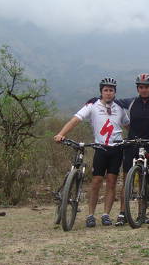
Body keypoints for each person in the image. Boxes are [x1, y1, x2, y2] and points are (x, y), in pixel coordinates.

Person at [86, 73, 149, 226]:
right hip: (130, 145)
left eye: (147, 87)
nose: (144, 90)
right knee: (126, 179)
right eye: (141, 87)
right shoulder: (129, 103)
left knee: (144, 179)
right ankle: (123, 213)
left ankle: (142, 213)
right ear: (137, 88)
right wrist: (94, 100)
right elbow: (108, 99)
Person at [54, 77, 129, 227]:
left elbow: (128, 125)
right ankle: (90, 215)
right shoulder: (93, 105)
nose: (108, 93)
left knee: (111, 182)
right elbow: (76, 119)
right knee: (95, 182)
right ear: (101, 92)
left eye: (111, 91)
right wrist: (61, 133)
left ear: (115, 93)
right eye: (105, 90)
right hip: (100, 149)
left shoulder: (119, 107)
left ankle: (106, 214)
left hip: (117, 149)